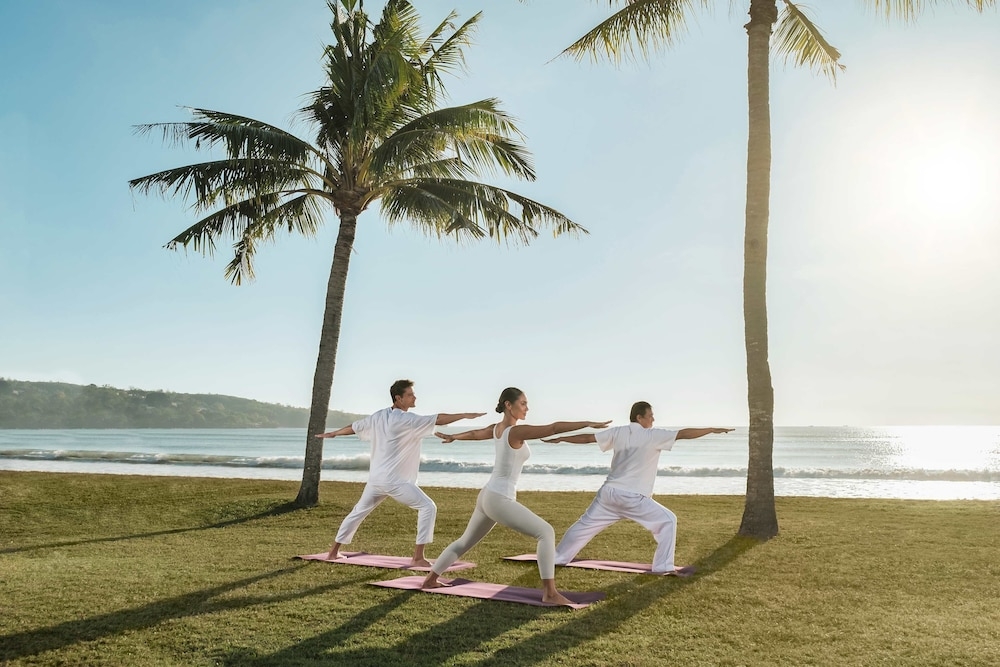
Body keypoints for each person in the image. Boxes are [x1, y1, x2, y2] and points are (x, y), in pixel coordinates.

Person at [421, 387, 610, 606]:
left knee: (464, 541)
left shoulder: (497, 429)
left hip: (488, 496)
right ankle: (549, 593)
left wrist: (454, 436)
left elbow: (474, 434)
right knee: (545, 532)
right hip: (499, 498)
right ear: (508, 405)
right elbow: (553, 428)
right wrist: (588, 423)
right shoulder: (514, 432)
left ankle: (430, 579)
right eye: (523, 403)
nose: (527, 408)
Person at [542, 401, 733, 574]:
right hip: (633, 497)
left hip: (608, 494)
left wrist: (561, 439)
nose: (653, 419)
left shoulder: (618, 432)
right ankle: (663, 566)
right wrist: (711, 429)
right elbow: (684, 434)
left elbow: (587, 438)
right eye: (650, 416)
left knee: (584, 526)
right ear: (639, 417)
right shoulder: (652, 435)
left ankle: (558, 557)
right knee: (668, 521)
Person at [316, 379, 485, 568]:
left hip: (376, 479)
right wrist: (465, 415)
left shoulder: (379, 416)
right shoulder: (405, 419)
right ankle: (418, 557)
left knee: (357, 512)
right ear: (398, 398)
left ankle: (333, 552)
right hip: (394, 481)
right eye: (410, 394)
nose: (415, 397)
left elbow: (354, 427)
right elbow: (439, 419)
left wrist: (334, 434)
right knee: (428, 507)